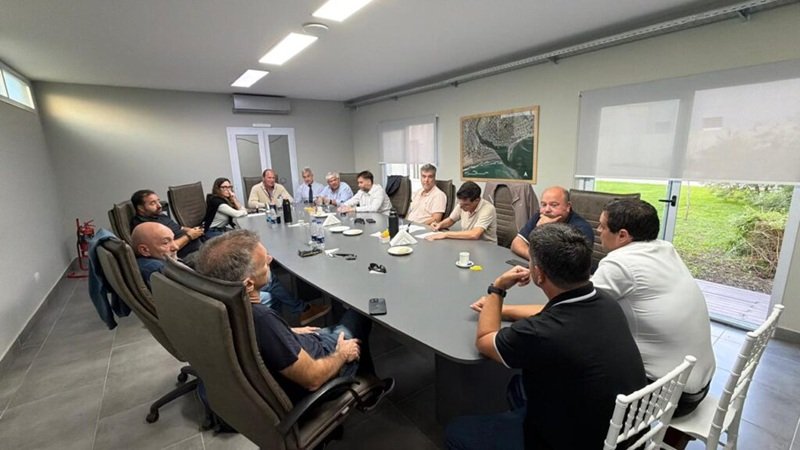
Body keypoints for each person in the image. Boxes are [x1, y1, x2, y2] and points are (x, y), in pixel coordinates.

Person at [446, 223, 647, 449]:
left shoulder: (539, 332)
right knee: (518, 385)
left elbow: (485, 340)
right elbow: (548, 312)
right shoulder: (606, 302)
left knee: (457, 431)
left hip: (574, 440)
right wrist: (503, 310)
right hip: (625, 429)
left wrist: (497, 289)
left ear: (539, 274)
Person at [195, 230, 394, 405]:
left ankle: (369, 382)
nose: (270, 260)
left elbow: (260, 341)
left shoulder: (225, 307)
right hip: (325, 367)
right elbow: (313, 379)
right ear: (248, 284)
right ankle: (369, 387)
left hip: (303, 346)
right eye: (264, 262)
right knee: (361, 311)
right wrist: (342, 354)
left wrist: (288, 332)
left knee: (349, 317)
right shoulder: (262, 319)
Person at [592, 198, 715, 417]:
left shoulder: (618, 263)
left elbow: (578, 307)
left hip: (670, 397)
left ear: (623, 235)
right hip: (699, 383)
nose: (598, 231)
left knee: (577, 362)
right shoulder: (666, 248)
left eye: (602, 226)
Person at [510, 186, 594, 261]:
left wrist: (542, 230)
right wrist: (534, 259)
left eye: (554, 205)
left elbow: (565, 262)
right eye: (543, 205)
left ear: (568, 206)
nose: (547, 210)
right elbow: (516, 243)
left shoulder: (581, 228)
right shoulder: (540, 216)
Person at [130, 189, 203, 259]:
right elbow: (167, 249)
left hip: (199, 246)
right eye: (153, 203)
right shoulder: (145, 227)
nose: (159, 206)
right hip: (187, 255)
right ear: (141, 208)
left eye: (158, 201)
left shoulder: (159, 215)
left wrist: (193, 230)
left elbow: (179, 228)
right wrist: (189, 236)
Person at [427, 181, 497, 242]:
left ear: (477, 200)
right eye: (460, 203)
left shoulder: (488, 209)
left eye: (466, 205)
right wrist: (440, 225)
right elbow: (451, 220)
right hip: (468, 243)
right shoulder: (462, 204)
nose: (461, 207)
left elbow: (474, 234)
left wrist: (446, 234)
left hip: (486, 246)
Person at [131, 222, 178, 290]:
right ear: (144, 250)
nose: (176, 247)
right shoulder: (156, 269)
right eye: (166, 243)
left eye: (173, 239)